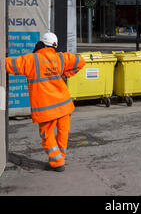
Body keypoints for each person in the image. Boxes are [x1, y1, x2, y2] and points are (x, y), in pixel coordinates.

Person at [6, 32, 85, 172]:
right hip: (63, 105)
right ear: (54, 45)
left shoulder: (31, 59)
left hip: (46, 108)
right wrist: (66, 73)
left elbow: (8, 64)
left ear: (40, 43)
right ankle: (60, 156)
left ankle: (57, 162)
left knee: (47, 135)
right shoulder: (61, 57)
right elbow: (81, 61)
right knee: (63, 131)